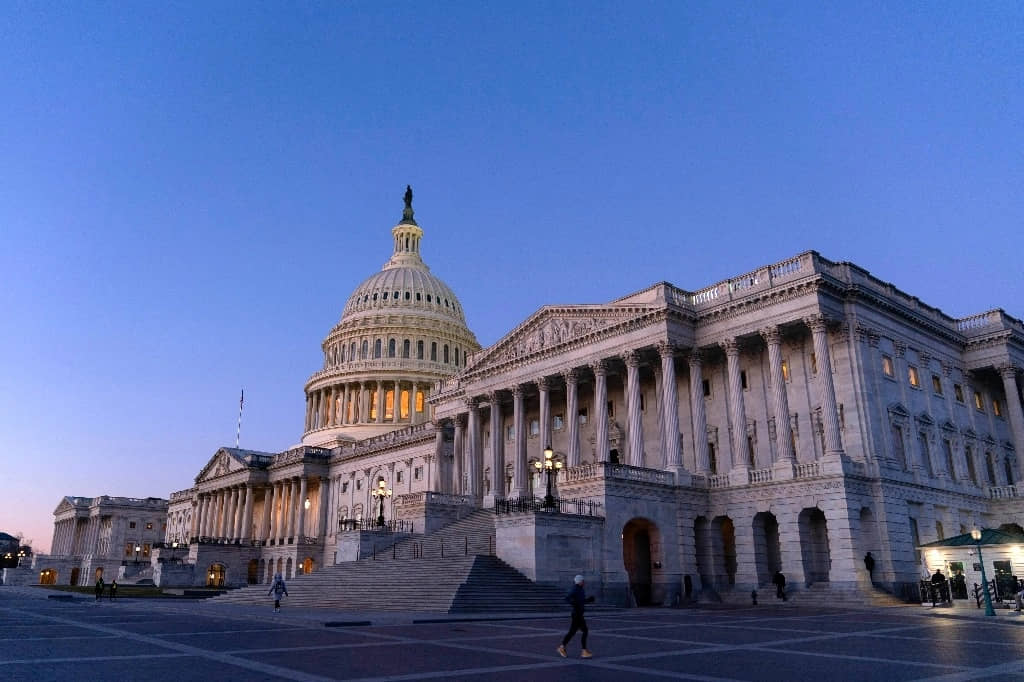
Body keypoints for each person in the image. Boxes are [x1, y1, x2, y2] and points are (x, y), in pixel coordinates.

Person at [558, 574, 594, 659]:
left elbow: (581, 601)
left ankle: (562, 647)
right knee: (584, 631)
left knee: (572, 632)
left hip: (578, 614)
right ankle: (584, 651)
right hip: (577, 614)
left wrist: (588, 600)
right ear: (580, 581)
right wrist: (574, 603)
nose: (584, 582)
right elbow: (567, 598)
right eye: (583, 581)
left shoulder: (580, 589)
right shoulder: (575, 589)